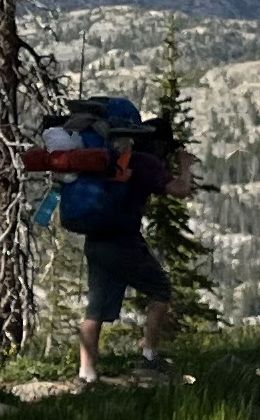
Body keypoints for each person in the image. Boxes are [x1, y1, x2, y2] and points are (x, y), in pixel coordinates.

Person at [68, 110, 189, 387]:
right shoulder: (145, 164)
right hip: (122, 240)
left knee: (95, 309)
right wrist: (185, 164)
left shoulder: (112, 160)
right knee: (161, 290)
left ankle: (86, 374)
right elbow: (180, 190)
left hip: (96, 238)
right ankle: (148, 356)